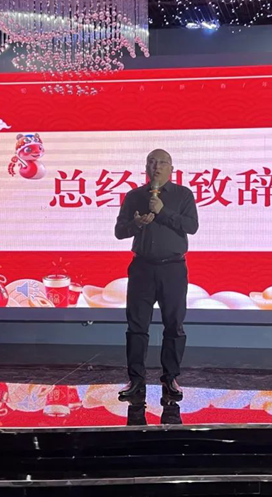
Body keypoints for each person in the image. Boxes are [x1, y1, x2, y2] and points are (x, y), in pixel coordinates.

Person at [114, 149, 199, 401]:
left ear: (171, 168)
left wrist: (163, 211)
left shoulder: (183, 195)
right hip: (142, 267)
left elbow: (191, 226)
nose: (156, 167)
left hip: (173, 268)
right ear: (146, 168)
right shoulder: (134, 196)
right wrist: (136, 225)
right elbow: (119, 231)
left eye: (162, 162)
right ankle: (135, 380)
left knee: (174, 325)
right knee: (137, 326)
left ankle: (170, 378)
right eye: (151, 162)